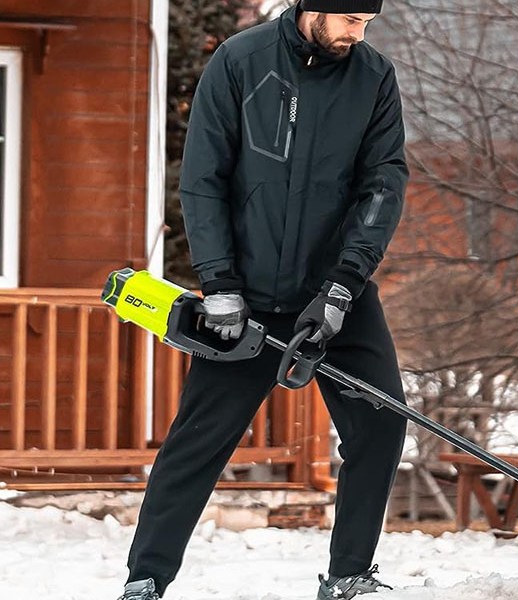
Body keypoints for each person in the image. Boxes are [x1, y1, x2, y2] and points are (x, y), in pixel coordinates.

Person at [119, 0, 409, 598]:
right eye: (350, 22)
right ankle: (145, 578)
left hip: (334, 292)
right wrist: (220, 284)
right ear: (314, 8)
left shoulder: (373, 78)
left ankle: (350, 574)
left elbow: (382, 186)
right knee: (200, 439)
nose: (358, 36)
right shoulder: (240, 61)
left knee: (380, 423)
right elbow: (202, 178)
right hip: (244, 298)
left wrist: (341, 288)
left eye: (366, 25)